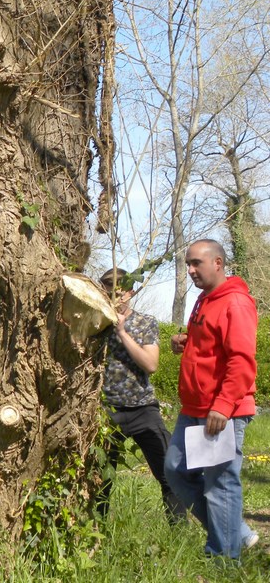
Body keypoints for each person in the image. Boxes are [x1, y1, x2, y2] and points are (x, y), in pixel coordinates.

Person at [164, 239, 259, 559]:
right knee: (176, 471)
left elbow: (241, 361)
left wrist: (223, 405)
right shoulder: (205, 299)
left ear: (217, 263)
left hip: (222, 410)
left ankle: (223, 561)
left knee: (220, 485)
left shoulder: (236, 303)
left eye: (196, 264)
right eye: (188, 264)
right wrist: (186, 341)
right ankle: (237, 533)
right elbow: (213, 343)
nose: (190, 270)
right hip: (194, 407)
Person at [96, 268, 185, 522]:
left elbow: (151, 364)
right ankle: (96, 534)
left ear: (131, 292)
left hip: (142, 408)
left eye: (119, 293)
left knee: (169, 473)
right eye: (108, 292)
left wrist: (122, 333)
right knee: (100, 477)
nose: (114, 298)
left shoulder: (145, 322)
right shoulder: (95, 323)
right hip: (106, 411)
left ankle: (178, 535)